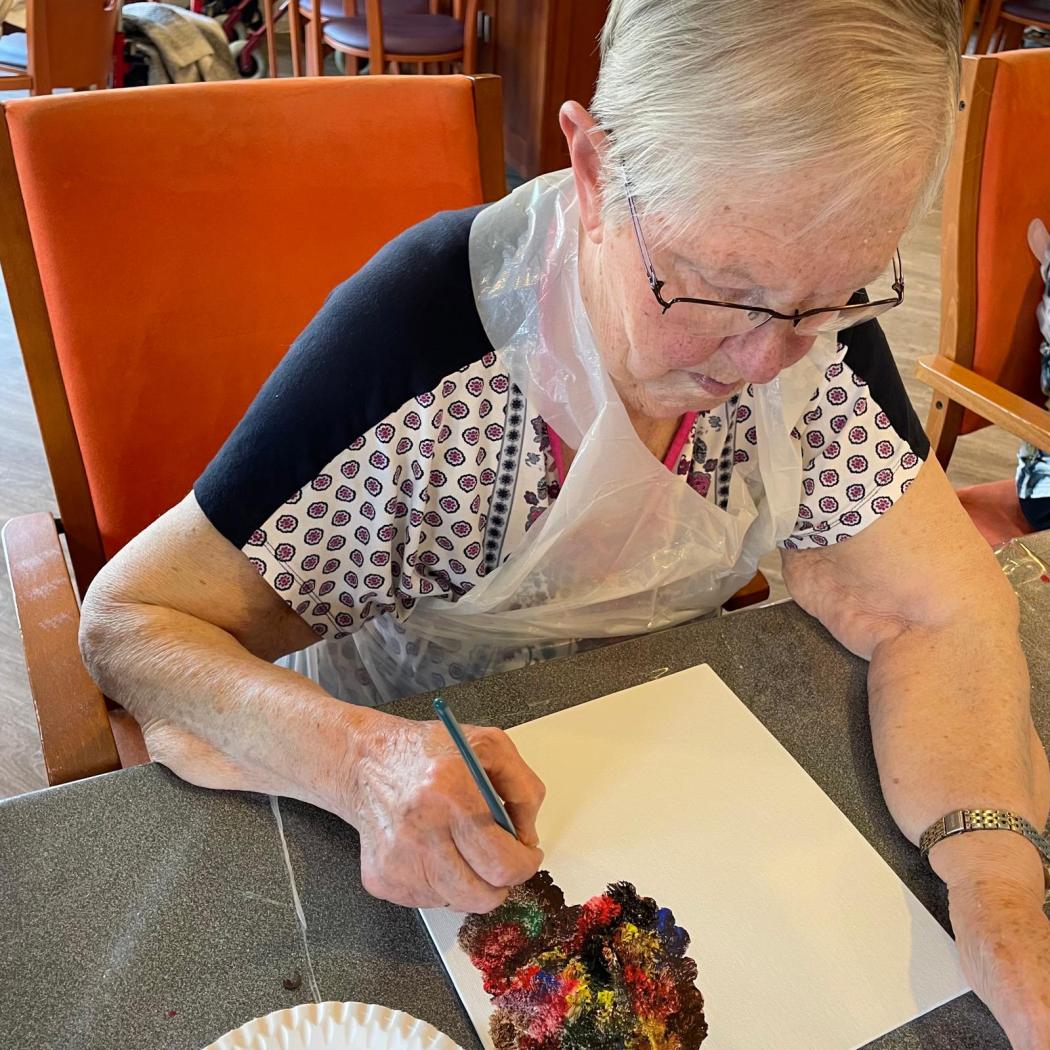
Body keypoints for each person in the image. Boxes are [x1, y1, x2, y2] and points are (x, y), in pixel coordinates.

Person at [79, 2, 1049, 1045]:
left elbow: (938, 610)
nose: (769, 361)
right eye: (721, 292)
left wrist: (996, 894)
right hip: (372, 834)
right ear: (593, 170)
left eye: (834, 296)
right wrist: (361, 765)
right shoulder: (423, 336)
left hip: (650, 772)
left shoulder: (802, 330)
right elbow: (130, 622)